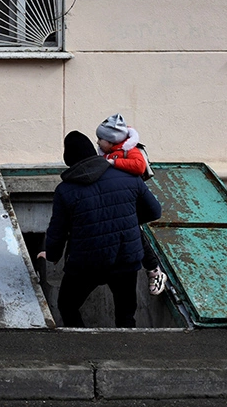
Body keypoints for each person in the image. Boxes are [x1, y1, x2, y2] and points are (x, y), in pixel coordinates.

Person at [39, 130, 162, 328]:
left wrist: (52, 254)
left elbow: (58, 230)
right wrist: (126, 220)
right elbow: (155, 211)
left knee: (67, 306)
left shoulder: (65, 190)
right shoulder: (128, 177)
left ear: (68, 158)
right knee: (125, 314)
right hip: (125, 257)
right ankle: (126, 346)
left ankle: (83, 343)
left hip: (86, 263)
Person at [96, 113, 168, 296]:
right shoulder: (110, 152)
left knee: (135, 233)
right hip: (123, 200)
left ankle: (155, 271)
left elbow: (139, 166)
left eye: (100, 139)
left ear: (111, 141)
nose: (97, 142)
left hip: (133, 199)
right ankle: (153, 270)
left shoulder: (128, 150)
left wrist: (113, 162)